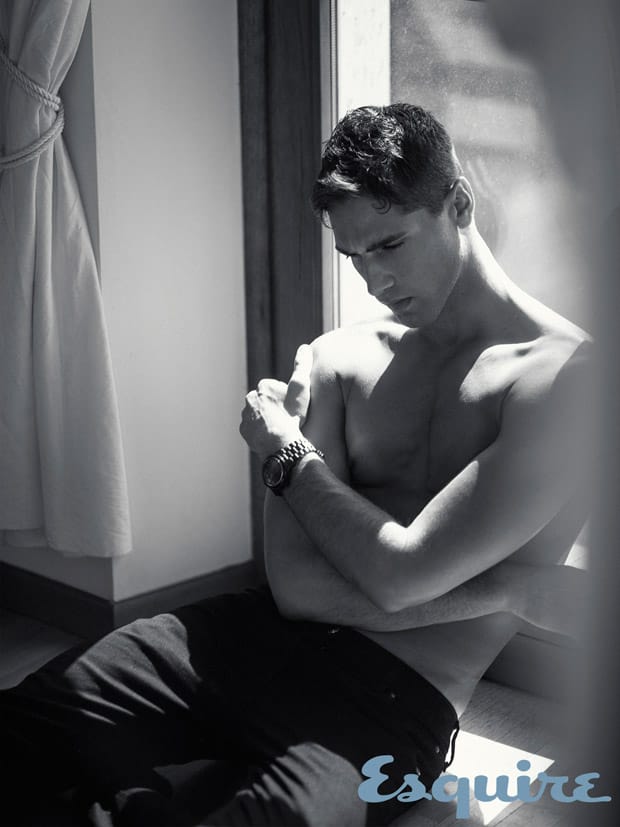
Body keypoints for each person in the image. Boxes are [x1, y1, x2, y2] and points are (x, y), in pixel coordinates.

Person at [1, 104, 590, 827]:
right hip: (241, 638)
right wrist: (509, 589)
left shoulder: (563, 382)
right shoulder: (341, 357)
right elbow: (297, 589)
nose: (375, 280)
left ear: (459, 205)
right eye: (355, 256)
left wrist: (285, 450)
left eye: (391, 244)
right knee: (21, 728)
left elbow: (402, 578)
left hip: (393, 699)